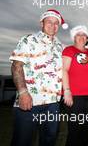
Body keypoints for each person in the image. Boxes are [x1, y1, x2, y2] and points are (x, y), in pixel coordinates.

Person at [9, 9, 67, 146]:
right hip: (30, 102)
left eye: (56, 23)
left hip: (53, 104)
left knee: (49, 140)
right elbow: (16, 66)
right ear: (41, 23)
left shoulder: (61, 46)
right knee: (22, 141)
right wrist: (23, 92)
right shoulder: (29, 40)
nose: (52, 25)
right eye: (49, 22)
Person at [62, 25, 88, 146]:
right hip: (75, 95)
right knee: (75, 129)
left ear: (87, 38)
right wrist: (67, 90)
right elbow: (64, 70)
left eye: (84, 35)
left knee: (86, 128)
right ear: (74, 37)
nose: (81, 37)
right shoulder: (69, 50)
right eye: (78, 34)